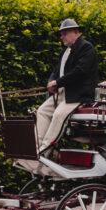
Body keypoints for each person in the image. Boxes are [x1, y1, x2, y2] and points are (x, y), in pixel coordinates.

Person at [33, 18, 100, 154]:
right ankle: (35, 147)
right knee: (42, 111)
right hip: (63, 93)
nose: (61, 37)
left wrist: (57, 83)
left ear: (76, 32)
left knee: (58, 115)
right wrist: (51, 82)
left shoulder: (86, 47)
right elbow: (56, 71)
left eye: (64, 33)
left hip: (77, 95)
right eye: (61, 34)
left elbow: (80, 71)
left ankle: (44, 150)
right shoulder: (65, 52)